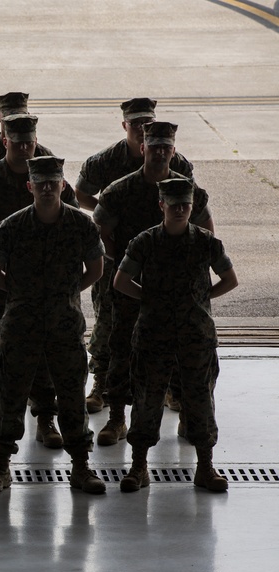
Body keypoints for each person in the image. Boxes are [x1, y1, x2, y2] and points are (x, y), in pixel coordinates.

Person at [0, 156, 106, 495]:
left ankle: (81, 466)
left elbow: (96, 269)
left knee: (71, 397)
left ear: (63, 185)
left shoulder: (82, 226)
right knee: (9, 396)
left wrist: (65, 293)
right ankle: (1, 468)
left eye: (54, 182)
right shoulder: (11, 227)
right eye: (41, 183)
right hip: (20, 327)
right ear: (30, 186)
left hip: (64, 326)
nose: (48, 188)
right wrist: (23, 294)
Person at [92, 121, 214, 446]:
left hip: (179, 294)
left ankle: (188, 414)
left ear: (173, 151)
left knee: (184, 354)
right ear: (142, 148)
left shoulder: (187, 191)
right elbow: (99, 233)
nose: (159, 152)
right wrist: (120, 268)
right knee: (122, 350)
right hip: (132, 289)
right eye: (154, 146)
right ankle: (117, 417)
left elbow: (206, 235)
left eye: (166, 148)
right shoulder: (120, 191)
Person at [113, 178, 237, 493]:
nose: (180, 210)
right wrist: (150, 299)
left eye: (186, 204)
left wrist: (200, 299)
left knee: (199, 399)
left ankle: (205, 467)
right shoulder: (145, 242)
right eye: (174, 204)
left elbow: (230, 279)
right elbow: (121, 280)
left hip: (195, 334)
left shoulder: (207, 242)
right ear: (162, 206)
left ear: (192, 207)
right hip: (154, 334)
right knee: (147, 398)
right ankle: (138, 467)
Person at [0, 113, 73, 450]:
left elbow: (71, 215)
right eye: (17, 141)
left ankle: (45, 416)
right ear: (4, 140)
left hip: (41, 281)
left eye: (29, 142)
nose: (24, 148)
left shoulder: (48, 173)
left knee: (43, 345)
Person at [74, 98, 194, 413]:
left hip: (162, 259)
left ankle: (169, 387)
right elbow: (81, 194)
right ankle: (102, 384)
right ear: (124, 125)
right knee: (109, 324)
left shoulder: (177, 163)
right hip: (118, 257)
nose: (143, 130)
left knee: (167, 324)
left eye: (148, 123)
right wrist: (109, 211)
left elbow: (192, 206)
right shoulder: (104, 162)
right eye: (137, 124)